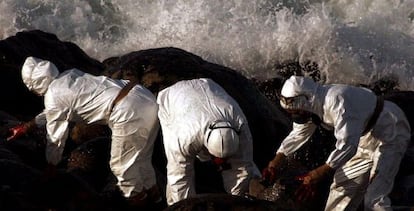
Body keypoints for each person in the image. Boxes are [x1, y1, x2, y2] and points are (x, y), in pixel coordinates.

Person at [8, 56, 162, 208]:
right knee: (142, 159)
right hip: (142, 95)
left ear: (34, 85)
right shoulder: (70, 75)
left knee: (120, 167)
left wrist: (51, 165)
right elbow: (53, 112)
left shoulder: (53, 97)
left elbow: (56, 138)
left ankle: (138, 202)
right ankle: (157, 201)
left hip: (127, 111)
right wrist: (29, 126)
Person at [263, 75, 411, 210]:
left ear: (308, 100)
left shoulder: (336, 100)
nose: (295, 115)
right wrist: (276, 161)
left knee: (374, 199)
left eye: (297, 112)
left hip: (389, 130)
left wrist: (318, 173)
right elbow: (298, 133)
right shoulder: (311, 108)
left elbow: (347, 146)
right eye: (291, 113)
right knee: (343, 185)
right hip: (364, 137)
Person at [156, 78, 261, 205]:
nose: (222, 162)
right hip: (171, 100)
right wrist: (185, 206)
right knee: (176, 173)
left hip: (207, 86)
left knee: (244, 170)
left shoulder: (240, 124)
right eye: (218, 159)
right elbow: (180, 178)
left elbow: (243, 165)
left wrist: (237, 201)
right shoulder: (184, 138)